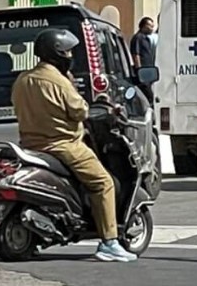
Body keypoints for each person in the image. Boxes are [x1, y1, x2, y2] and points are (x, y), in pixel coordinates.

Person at [11, 28, 136, 263]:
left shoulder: (23, 79)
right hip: (63, 144)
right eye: (67, 51)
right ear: (57, 53)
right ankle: (109, 242)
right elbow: (80, 111)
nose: (70, 56)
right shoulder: (58, 81)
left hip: (29, 145)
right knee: (103, 183)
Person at [129, 17, 156, 99]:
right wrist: (139, 70)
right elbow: (136, 55)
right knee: (148, 96)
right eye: (150, 26)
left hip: (149, 72)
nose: (152, 28)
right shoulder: (138, 38)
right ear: (144, 26)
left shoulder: (146, 38)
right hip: (143, 72)